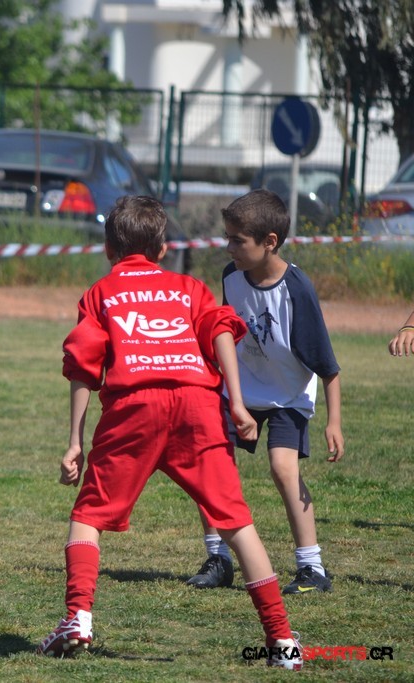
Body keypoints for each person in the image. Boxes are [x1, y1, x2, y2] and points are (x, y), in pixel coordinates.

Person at [38, 196, 301, 668]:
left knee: (89, 515)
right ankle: (282, 641)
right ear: (162, 249)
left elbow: (82, 365)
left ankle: (78, 616)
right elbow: (221, 331)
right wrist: (236, 402)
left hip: (132, 408)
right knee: (236, 522)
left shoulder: (101, 293)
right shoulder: (190, 287)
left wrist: (75, 440)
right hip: (198, 407)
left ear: (108, 248)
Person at [185, 189, 343, 595]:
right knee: (209, 460)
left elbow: (327, 365)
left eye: (237, 240)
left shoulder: (298, 289)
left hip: (289, 394)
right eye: (228, 237)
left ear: (270, 241)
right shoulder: (231, 276)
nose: (229, 247)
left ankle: (312, 568)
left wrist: (334, 423)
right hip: (242, 387)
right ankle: (218, 558)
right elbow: (226, 334)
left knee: (283, 468)